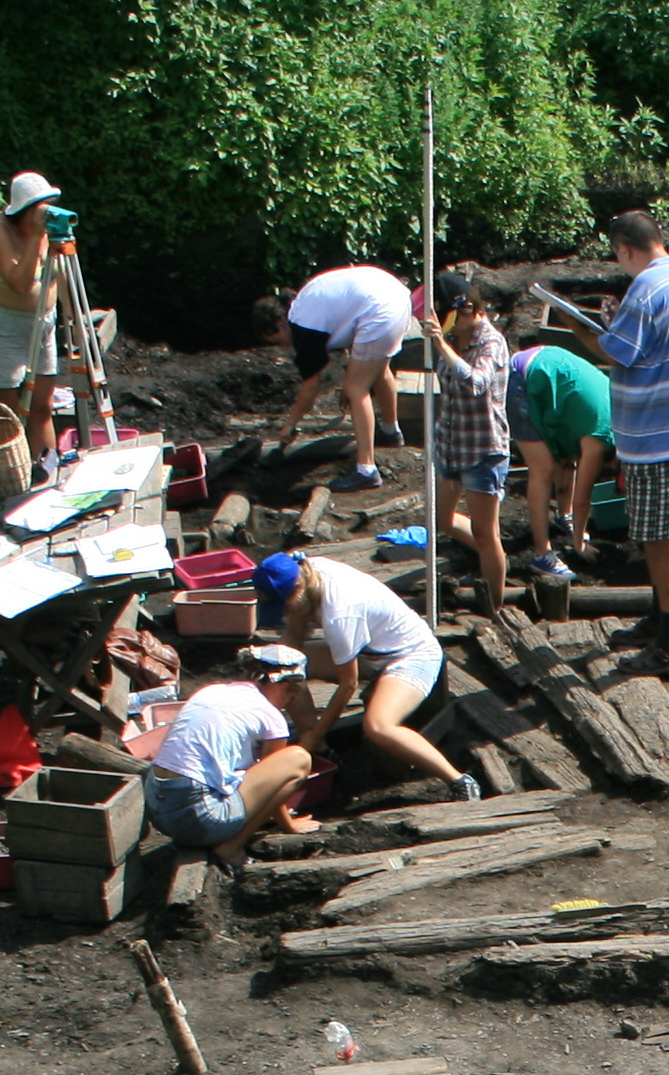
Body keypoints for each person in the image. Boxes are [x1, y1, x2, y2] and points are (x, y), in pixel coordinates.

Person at [558, 211, 669, 677]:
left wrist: (579, 327)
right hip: (667, 429)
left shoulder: (647, 288)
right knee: (654, 537)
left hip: (654, 436)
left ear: (625, 249)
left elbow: (615, 350)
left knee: (661, 542)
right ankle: (660, 621)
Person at [257, 553, 480, 800]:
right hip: (370, 650)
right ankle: (322, 753)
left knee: (378, 725)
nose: (284, 614)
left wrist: (317, 732)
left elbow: (347, 685)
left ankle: (459, 780)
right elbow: (292, 643)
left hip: (411, 656)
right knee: (286, 666)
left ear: (297, 588)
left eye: (283, 606)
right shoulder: (306, 571)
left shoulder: (340, 614)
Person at [146, 645, 323, 867]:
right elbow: (274, 784)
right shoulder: (271, 716)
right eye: (293, 695)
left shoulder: (211, 691)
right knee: (298, 758)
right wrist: (289, 825)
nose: (289, 702)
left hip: (157, 808)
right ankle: (232, 847)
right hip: (198, 820)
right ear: (285, 685)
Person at [259, 264, 415, 490]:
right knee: (380, 370)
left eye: (276, 340)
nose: (281, 346)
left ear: (280, 325)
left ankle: (366, 470)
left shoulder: (302, 325)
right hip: (396, 297)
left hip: (380, 310)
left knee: (355, 389)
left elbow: (311, 386)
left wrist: (290, 424)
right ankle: (391, 432)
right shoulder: (306, 303)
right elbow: (352, 326)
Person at [426, 272, 516, 612]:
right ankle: (486, 567)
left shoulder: (491, 342)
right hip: (450, 445)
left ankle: (493, 605)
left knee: (486, 533)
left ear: (467, 310)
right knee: (443, 520)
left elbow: (477, 382)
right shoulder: (454, 336)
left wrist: (442, 346)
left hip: (483, 451)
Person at [0, 173, 71, 458]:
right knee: (12, 413)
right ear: (26, 210)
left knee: (42, 407)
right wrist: (38, 236)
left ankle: (46, 472)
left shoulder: (48, 230)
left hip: (42, 324)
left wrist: (74, 319)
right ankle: (14, 473)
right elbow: (20, 283)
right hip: (3, 326)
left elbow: (61, 274)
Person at [509, 342, 615, 582]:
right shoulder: (600, 439)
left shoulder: (620, 420)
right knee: (543, 469)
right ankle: (541, 555)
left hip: (551, 366)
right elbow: (583, 499)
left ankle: (562, 515)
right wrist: (580, 543)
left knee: (567, 459)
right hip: (522, 378)